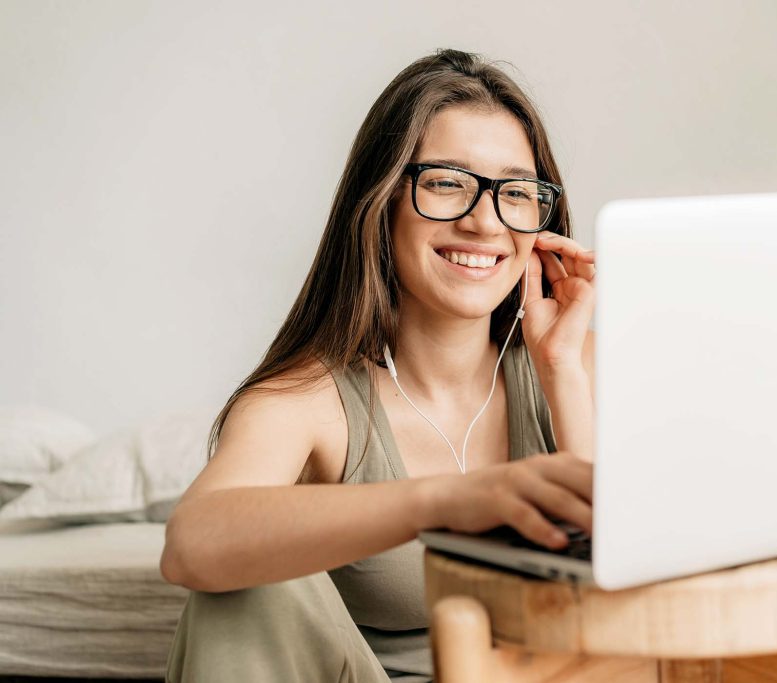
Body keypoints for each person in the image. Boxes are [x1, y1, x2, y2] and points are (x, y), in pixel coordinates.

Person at [160, 48, 596, 682]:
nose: (484, 221)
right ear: (382, 199)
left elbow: (633, 600)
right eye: (447, 182)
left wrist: (564, 378)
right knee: (247, 581)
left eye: (517, 192)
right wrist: (449, 501)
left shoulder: (578, 359)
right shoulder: (307, 400)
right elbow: (191, 546)